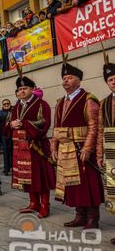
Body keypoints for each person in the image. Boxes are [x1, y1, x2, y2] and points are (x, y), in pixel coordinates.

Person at [51, 60, 103, 229]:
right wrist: (53, 147)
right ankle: (80, 215)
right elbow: (56, 127)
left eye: (70, 77)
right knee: (72, 185)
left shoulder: (88, 99)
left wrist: (88, 148)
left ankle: (92, 218)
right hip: (65, 149)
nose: (66, 80)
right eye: (64, 78)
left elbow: (94, 126)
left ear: (79, 80)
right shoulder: (60, 102)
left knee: (87, 184)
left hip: (81, 149)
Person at [4, 75, 55, 218]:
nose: (22, 91)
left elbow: (44, 122)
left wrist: (24, 123)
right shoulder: (17, 106)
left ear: (32, 89)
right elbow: (8, 124)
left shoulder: (41, 104)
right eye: (19, 89)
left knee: (41, 177)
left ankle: (45, 205)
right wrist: (11, 124)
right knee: (28, 177)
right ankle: (34, 203)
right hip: (20, 147)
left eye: (25, 88)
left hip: (36, 146)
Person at [98, 59, 115, 245]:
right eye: (110, 79)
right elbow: (100, 130)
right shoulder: (104, 103)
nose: (114, 81)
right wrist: (99, 154)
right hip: (111, 151)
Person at [0, 99, 13, 175]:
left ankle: (14, 168)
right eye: (4, 104)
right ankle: (6, 169)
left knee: (13, 153)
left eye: (8, 103)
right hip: (4, 136)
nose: (6, 105)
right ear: (2, 105)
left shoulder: (14, 111)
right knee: (6, 153)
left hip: (13, 135)